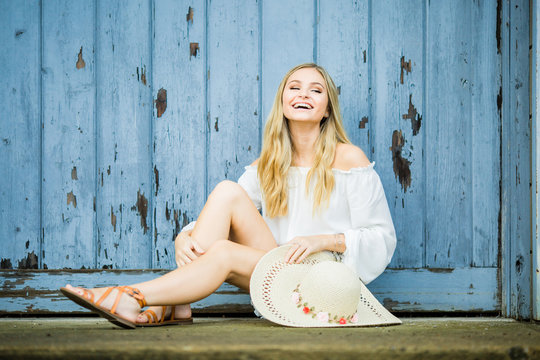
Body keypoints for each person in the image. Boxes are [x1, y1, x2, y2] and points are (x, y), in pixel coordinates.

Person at [61, 63, 397, 329]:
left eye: (316, 90)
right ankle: (167, 301)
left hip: (320, 280)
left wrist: (324, 240)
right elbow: (220, 214)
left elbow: (382, 237)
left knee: (222, 252)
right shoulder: (268, 164)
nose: (303, 94)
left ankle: (140, 297)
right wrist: (185, 237)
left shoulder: (349, 159)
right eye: (293, 88)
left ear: (326, 109)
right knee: (227, 191)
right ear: (282, 103)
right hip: (278, 266)